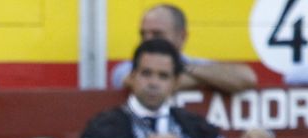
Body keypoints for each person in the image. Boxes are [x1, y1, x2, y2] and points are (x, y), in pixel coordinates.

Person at [82, 39, 274, 138]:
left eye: (163, 76)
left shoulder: (193, 124)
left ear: (175, 83)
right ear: (132, 78)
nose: (153, 83)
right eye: (146, 73)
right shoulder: (102, 126)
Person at [109, 5, 257, 94]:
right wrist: (212, 80)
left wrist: (185, 69)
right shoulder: (124, 69)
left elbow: (246, 78)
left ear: (182, 36)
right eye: (143, 34)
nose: (148, 40)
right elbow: (141, 84)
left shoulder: (194, 64)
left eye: (157, 34)